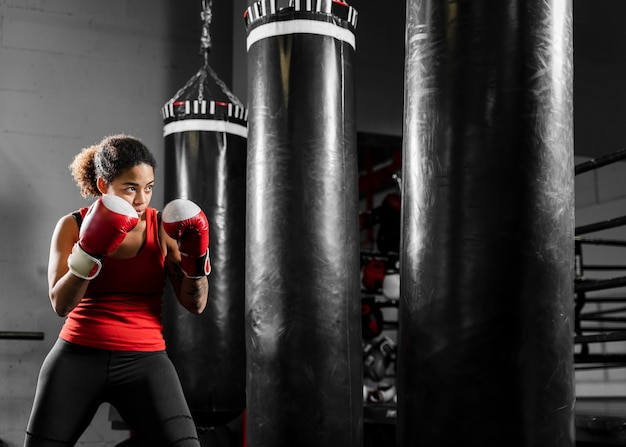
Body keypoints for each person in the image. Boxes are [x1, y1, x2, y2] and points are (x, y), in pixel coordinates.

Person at [24, 134, 210, 446]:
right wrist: (90, 252)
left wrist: (196, 257)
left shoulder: (162, 227)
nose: (142, 199)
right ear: (102, 186)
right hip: (77, 355)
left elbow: (197, 304)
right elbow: (61, 304)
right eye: (130, 188)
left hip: (145, 360)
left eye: (148, 187)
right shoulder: (72, 225)